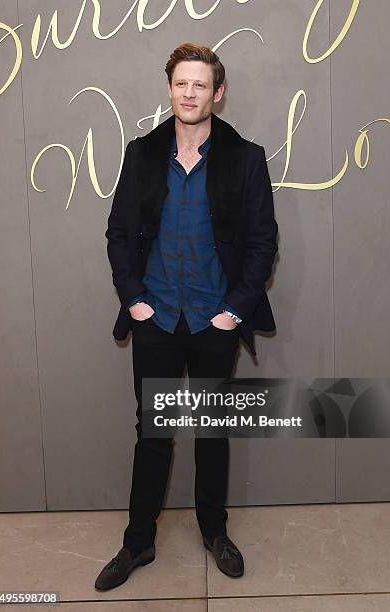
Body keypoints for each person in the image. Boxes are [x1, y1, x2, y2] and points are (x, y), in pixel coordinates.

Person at [95, 42, 278, 591]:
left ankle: (214, 532)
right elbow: (119, 235)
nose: (190, 93)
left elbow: (263, 244)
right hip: (156, 321)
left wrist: (232, 311)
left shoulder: (246, 158)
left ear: (217, 93)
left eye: (201, 84)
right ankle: (138, 543)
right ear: (170, 88)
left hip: (212, 321)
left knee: (212, 432)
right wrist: (134, 301)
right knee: (152, 433)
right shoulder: (142, 154)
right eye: (181, 83)